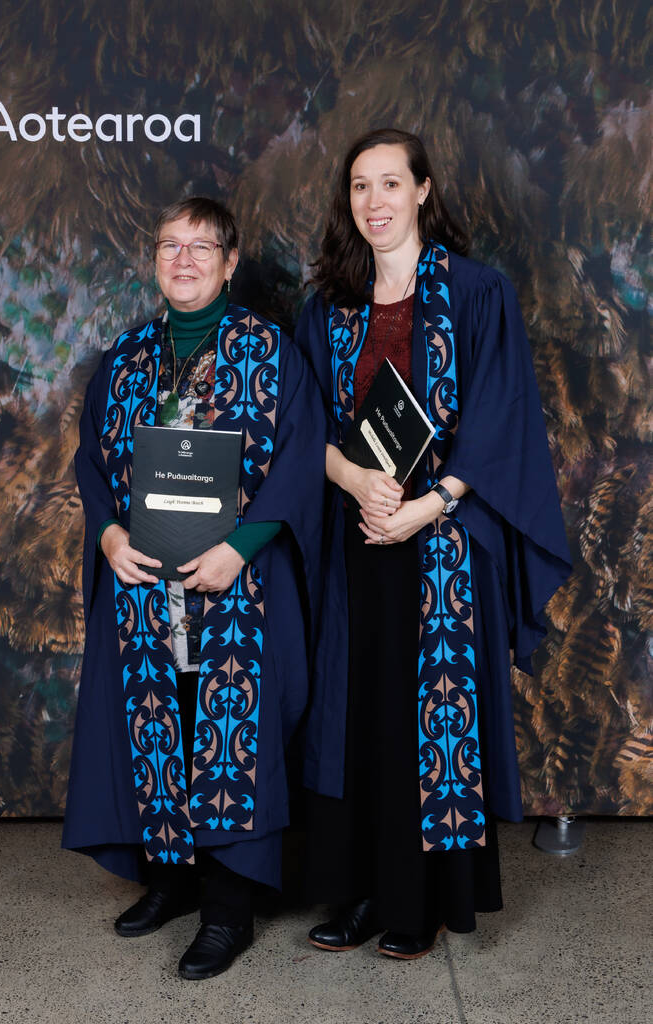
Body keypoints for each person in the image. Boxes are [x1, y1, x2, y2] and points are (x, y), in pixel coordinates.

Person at [295, 128, 572, 959]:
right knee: (358, 716)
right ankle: (359, 895)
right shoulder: (329, 308)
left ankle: (417, 904)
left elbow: (498, 421)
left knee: (424, 720)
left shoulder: (477, 293)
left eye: (389, 184)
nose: (373, 202)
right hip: (356, 541)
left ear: (422, 191)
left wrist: (427, 508)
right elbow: (302, 425)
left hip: (442, 547)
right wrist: (352, 485)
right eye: (358, 187)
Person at [63, 196, 325, 980]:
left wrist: (240, 547)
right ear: (154, 258)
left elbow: (300, 453)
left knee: (228, 735)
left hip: (235, 582)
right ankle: (170, 878)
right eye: (169, 245)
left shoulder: (267, 349)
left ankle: (228, 906)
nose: (183, 259)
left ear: (231, 260)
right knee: (160, 719)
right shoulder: (128, 354)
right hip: (144, 582)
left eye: (200, 247)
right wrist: (108, 534)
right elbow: (89, 460)